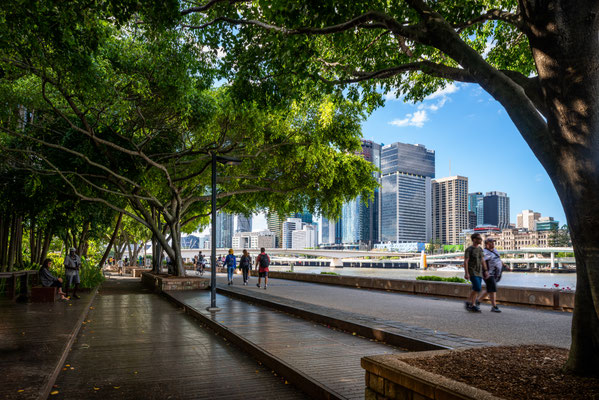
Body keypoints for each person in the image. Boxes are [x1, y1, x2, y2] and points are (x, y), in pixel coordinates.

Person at [463, 233, 489, 312]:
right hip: (472, 271)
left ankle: (473, 305)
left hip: (479, 271)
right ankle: (468, 302)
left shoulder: (480, 249)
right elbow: (466, 261)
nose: (481, 240)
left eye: (481, 239)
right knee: (478, 287)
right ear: (474, 239)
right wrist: (466, 273)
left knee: (476, 289)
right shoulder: (469, 249)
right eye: (479, 239)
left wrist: (485, 270)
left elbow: (482, 260)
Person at [479, 238, 504, 313]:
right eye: (491, 243)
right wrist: (486, 271)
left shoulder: (495, 250)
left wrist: (504, 265)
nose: (493, 244)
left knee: (491, 289)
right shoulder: (484, 252)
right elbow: (482, 262)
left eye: (493, 243)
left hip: (495, 273)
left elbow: (498, 259)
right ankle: (493, 306)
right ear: (487, 244)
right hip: (488, 273)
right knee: (492, 288)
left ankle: (477, 302)